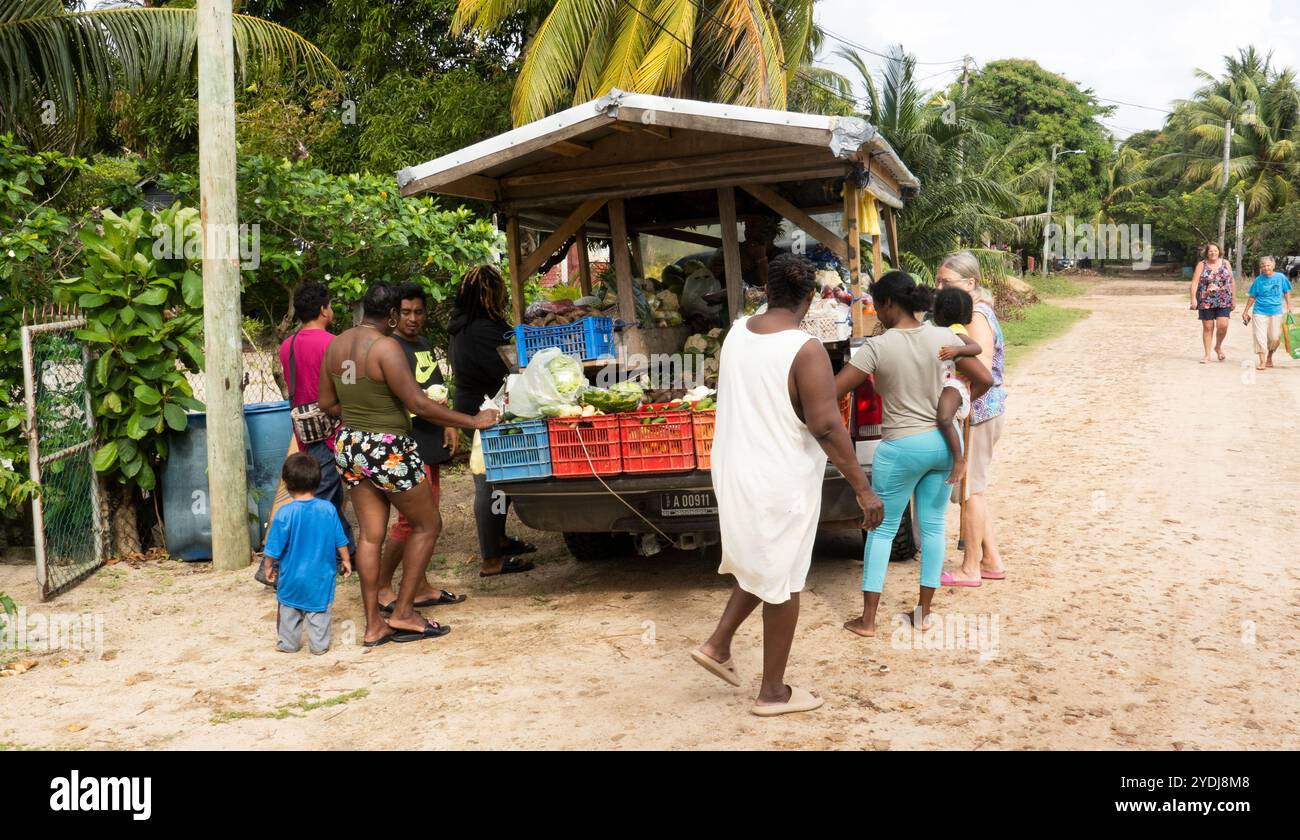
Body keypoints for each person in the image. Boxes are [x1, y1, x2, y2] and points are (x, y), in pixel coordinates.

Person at [692, 254, 884, 717]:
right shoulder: (805, 348)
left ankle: (718, 644)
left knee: (765, 558)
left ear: (766, 289)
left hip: (735, 467)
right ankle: (772, 692)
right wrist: (863, 487)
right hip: (778, 475)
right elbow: (824, 425)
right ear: (810, 296)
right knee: (784, 578)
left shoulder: (738, 331)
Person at [317, 283, 499, 646]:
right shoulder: (387, 347)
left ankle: (373, 625)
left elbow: (326, 402)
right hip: (389, 447)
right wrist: (473, 421)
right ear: (392, 315)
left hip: (351, 444)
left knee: (371, 535)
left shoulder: (336, 345)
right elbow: (419, 401)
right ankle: (403, 612)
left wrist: (359, 418)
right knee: (427, 524)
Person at [835, 271, 992, 634]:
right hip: (943, 442)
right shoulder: (944, 337)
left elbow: (834, 390)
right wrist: (959, 408)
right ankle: (922, 614)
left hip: (900, 448)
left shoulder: (877, 347)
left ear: (889, 303)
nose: (877, 312)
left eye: (877, 305)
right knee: (934, 527)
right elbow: (983, 378)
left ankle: (868, 620)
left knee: (882, 530)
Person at [375, 283, 466, 613]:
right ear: (394, 315)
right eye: (406, 312)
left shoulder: (424, 345)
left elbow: (436, 390)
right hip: (405, 443)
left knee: (429, 519)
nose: (413, 318)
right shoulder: (390, 349)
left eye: (418, 312)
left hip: (430, 439)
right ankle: (382, 586)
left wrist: (449, 422)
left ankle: (420, 586)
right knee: (411, 522)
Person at [448, 266, 537, 577]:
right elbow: (505, 369)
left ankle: (498, 540)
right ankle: (490, 559)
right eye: (497, 289)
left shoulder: (464, 325)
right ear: (487, 293)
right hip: (482, 413)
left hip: (482, 408)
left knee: (503, 481)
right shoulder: (480, 330)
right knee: (488, 484)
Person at [935, 251, 1008, 586]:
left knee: (971, 492)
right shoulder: (978, 312)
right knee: (974, 488)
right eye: (937, 281)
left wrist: (962, 407)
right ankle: (990, 560)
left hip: (978, 413)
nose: (938, 288)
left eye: (945, 282)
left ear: (970, 283)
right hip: (984, 411)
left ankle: (970, 568)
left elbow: (982, 371)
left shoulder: (976, 316)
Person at [276, 282, 354, 560]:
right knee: (319, 498)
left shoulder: (288, 345)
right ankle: (284, 558)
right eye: (330, 305)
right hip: (332, 429)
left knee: (328, 495)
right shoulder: (333, 344)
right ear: (323, 310)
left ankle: (351, 553)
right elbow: (348, 386)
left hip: (304, 430)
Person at [262, 453, 351, 655]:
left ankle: (288, 644)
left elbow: (273, 547)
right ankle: (318, 646)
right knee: (319, 610)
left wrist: (268, 567)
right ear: (318, 481)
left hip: (291, 577)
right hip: (320, 577)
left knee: (289, 610)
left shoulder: (284, 513)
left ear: (285, 483)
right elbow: (340, 539)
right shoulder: (328, 509)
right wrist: (346, 559)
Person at [932, 286, 983, 486]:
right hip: (949, 379)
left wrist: (957, 349)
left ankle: (958, 459)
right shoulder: (945, 331)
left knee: (944, 419)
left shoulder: (955, 331)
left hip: (957, 382)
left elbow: (976, 348)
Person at [1242, 256, 1292, 371]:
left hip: (1276, 312)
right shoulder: (1259, 280)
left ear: (1273, 266)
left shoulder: (1280, 277)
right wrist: (1245, 311)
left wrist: (1289, 306)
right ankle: (1262, 361)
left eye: (1268, 265)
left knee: (1275, 338)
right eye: (1263, 265)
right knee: (1260, 337)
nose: (1266, 267)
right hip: (1259, 311)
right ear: (1261, 267)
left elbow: (1286, 291)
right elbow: (1252, 296)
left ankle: (1270, 356)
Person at [1189, 242, 1235, 364]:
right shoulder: (1201, 265)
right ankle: (1207, 354)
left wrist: (1233, 299)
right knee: (1208, 327)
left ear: (1219, 251)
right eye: (1210, 251)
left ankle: (1218, 346)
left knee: (1223, 325)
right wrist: (1193, 298)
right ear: (1207, 253)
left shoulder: (1226, 263)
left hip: (1224, 299)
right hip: (1206, 300)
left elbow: (1232, 282)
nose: (1213, 253)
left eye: (1215, 250)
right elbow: (1194, 282)